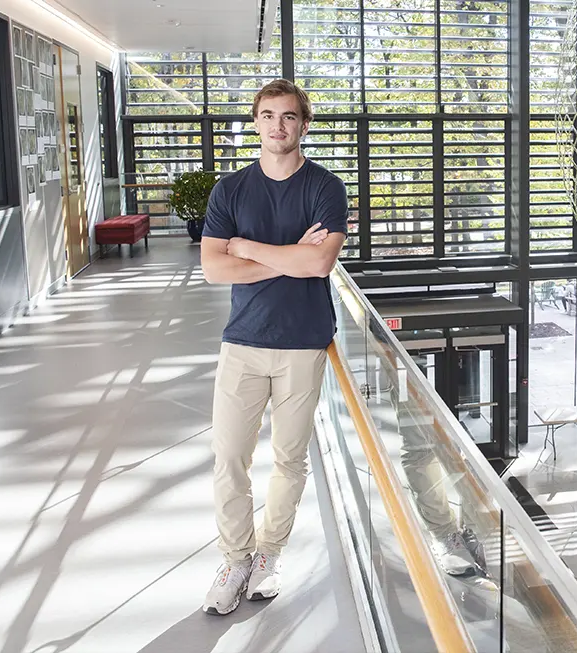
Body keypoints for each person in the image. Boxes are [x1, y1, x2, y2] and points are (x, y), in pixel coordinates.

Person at [199, 79, 348, 615]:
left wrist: (246, 247)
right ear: (256, 122)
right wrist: (287, 257)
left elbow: (319, 263)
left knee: (290, 459)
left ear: (303, 124)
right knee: (229, 459)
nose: (277, 126)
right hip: (243, 341)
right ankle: (235, 559)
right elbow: (214, 269)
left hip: (304, 343)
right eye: (267, 116)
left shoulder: (326, 187)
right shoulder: (230, 189)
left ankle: (268, 555)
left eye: (288, 116)